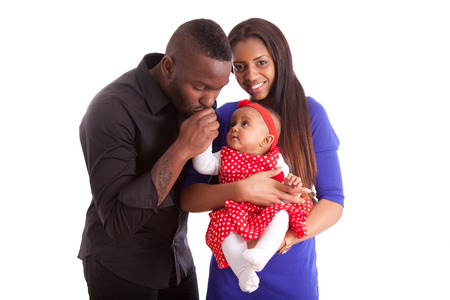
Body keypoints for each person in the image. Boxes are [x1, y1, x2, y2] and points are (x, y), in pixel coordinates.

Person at [181, 18, 344, 300]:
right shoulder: (229, 119)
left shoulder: (310, 114)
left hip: (292, 272)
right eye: (239, 67)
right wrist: (242, 190)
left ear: (280, 59)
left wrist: (286, 238)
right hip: (233, 272)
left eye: (261, 62)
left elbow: (333, 201)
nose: (250, 76)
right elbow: (189, 198)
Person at [77, 19, 232, 300]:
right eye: (201, 87)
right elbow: (118, 223)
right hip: (121, 268)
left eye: (219, 88)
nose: (210, 101)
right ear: (169, 67)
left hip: (177, 261)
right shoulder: (110, 111)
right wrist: (182, 148)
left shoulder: (199, 100)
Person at [192, 99, 313, 293]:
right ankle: (243, 271)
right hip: (234, 212)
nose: (234, 129)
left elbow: (285, 184)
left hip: (265, 210)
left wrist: (292, 184)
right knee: (224, 229)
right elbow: (203, 166)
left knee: (281, 215)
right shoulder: (225, 156)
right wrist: (205, 140)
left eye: (244, 124)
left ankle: (262, 253)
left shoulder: (275, 160)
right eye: (233, 124)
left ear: (265, 141)